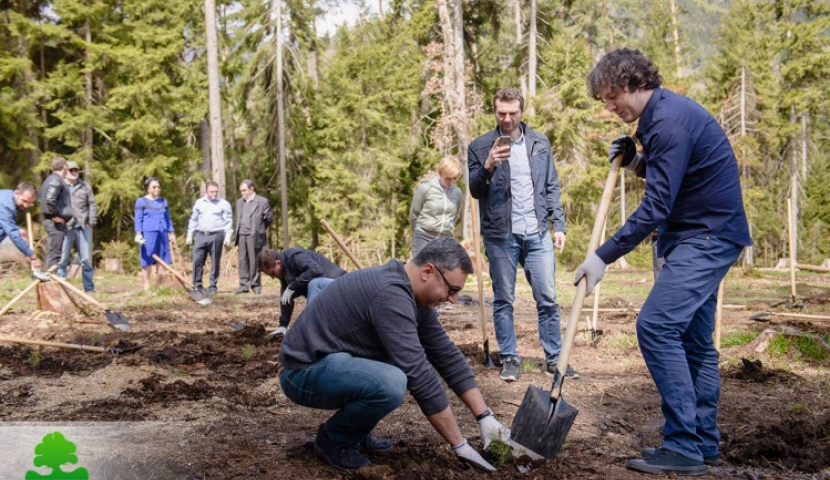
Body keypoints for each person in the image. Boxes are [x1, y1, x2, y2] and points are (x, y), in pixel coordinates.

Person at [577, 48, 752, 477]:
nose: (611, 106)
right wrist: (638, 160)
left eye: (614, 96)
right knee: (694, 343)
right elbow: (675, 174)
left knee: (656, 326)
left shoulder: (668, 122)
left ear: (637, 84)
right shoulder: (661, 118)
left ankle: (682, 445)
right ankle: (702, 443)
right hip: (703, 233)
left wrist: (604, 255)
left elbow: (657, 206)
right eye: (605, 100)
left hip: (706, 236)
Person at [278, 238, 510, 473]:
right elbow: (419, 374)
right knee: (391, 381)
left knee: (393, 366)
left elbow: (445, 354)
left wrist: (485, 417)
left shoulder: (411, 294)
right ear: (428, 271)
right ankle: (334, 440)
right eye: (452, 290)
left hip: (334, 363)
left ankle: (355, 432)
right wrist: (460, 445)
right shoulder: (390, 293)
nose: (453, 299)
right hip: (302, 371)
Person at [468, 87, 574, 383]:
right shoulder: (479, 146)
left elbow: (551, 185)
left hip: (538, 231)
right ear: (494, 112)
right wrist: (488, 164)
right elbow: (475, 190)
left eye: (512, 113)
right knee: (503, 299)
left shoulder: (540, 142)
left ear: (521, 112)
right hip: (500, 235)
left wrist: (559, 225)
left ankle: (555, 359)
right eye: (501, 113)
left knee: (548, 298)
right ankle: (510, 358)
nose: (506, 119)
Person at [257, 248, 348, 336]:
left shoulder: (294, 256)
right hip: (328, 295)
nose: (273, 277)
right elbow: (286, 297)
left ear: (278, 263)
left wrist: (294, 285)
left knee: (314, 283)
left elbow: (316, 270)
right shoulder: (284, 271)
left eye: (272, 273)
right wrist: (283, 325)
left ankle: (310, 330)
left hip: (341, 286)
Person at [409, 156, 463, 257]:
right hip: (423, 237)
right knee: (419, 270)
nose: (451, 183)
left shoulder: (458, 193)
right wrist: (419, 232)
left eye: (454, 178)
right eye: (448, 178)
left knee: (440, 272)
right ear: (440, 173)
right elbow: (414, 214)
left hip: (444, 241)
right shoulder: (425, 188)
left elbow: (455, 216)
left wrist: (448, 229)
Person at [56, 161, 98, 292]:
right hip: (65, 226)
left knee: (86, 259)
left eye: (76, 170)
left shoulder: (85, 186)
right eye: (71, 170)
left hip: (83, 225)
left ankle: (89, 288)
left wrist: (91, 220)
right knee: (63, 258)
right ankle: (61, 286)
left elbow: (92, 204)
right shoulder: (60, 186)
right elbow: (54, 204)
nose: (74, 172)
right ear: (65, 171)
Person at [186, 181, 233, 294]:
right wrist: (189, 234)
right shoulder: (199, 203)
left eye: (216, 191)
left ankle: (212, 285)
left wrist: (228, 236)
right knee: (197, 260)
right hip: (201, 235)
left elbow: (228, 221)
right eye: (212, 191)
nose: (214, 194)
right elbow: (194, 219)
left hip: (216, 235)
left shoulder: (224, 204)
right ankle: (197, 284)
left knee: (215, 261)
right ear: (206, 191)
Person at [134, 177, 175, 291]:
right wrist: (138, 234)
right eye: (154, 187)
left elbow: (168, 218)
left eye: (158, 187)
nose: (157, 189)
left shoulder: (163, 201)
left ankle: (158, 286)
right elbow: (138, 219)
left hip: (162, 233)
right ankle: (147, 286)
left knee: (161, 259)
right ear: (147, 188)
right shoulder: (141, 201)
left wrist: (171, 232)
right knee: (147, 258)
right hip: (148, 234)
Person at [234, 180, 272, 294]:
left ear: (251, 189)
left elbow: (268, 218)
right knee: (242, 260)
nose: (242, 193)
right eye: (241, 191)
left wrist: (260, 229)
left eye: (244, 190)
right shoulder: (239, 202)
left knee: (255, 261)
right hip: (241, 234)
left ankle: (255, 285)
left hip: (254, 236)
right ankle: (243, 285)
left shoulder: (262, 202)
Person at [39, 157, 72, 269]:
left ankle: (51, 279)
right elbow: (49, 200)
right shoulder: (56, 181)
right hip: (55, 223)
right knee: (54, 255)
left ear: (52, 168)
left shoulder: (50, 180)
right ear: (65, 167)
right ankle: (50, 280)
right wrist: (54, 216)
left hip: (54, 222)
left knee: (54, 253)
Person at [0, 182, 43, 269]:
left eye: (30, 203)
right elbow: (13, 234)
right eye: (24, 201)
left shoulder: (7, 196)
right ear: (17, 193)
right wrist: (32, 255)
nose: (26, 205)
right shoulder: (5, 205)